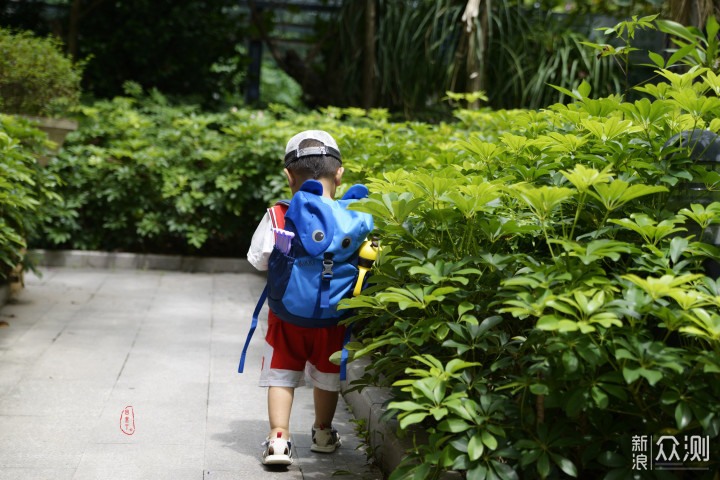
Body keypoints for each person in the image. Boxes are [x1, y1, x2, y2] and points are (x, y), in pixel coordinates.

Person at [247, 130, 349, 466]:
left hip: (285, 315)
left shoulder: (278, 214)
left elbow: (259, 259)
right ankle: (322, 432)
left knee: (281, 374)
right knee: (327, 375)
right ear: (339, 175)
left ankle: (279, 439)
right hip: (333, 318)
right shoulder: (350, 218)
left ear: (289, 176)